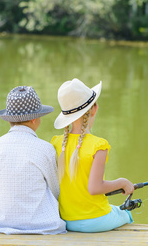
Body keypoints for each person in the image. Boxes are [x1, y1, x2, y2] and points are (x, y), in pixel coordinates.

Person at [51, 78, 134, 233]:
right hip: (95, 220)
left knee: (115, 210)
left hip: (66, 220)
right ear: (94, 108)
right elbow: (95, 188)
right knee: (126, 213)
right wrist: (122, 182)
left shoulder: (56, 143)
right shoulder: (98, 145)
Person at [0, 86, 66, 235]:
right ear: (34, 119)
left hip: (0, 224)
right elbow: (55, 191)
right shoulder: (46, 148)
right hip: (43, 226)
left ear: (9, 119)